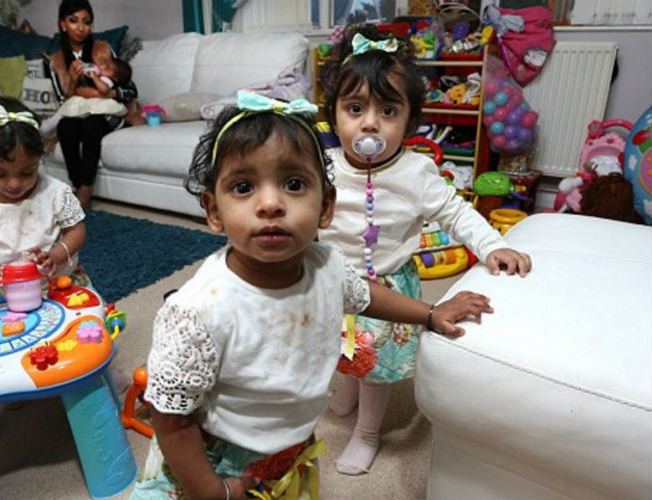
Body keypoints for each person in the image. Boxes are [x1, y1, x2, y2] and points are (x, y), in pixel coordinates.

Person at [129, 91, 494, 500]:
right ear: (214, 211)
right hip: (213, 463)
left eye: (294, 184)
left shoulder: (327, 265)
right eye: (244, 187)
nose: (270, 204)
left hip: (288, 445)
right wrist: (214, 492)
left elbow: (365, 296)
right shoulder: (196, 311)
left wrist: (430, 313)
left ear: (325, 207)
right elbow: (171, 419)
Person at [318, 26, 533, 476]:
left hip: (386, 290)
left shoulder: (417, 172)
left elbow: (457, 212)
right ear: (334, 116)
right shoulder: (324, 166)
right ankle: (349, 389)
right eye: (355, 108)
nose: (370, 123)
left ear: (410, 120)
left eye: (388, 110)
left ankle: (367, 433)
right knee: (342, 347)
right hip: (335, 284)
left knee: (376, 365)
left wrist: (492, 245)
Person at [0, 96, 86, 299]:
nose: (14, 183)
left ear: (39, 157)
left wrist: (57, 254)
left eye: (26, 172)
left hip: (60, 282)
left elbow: (76, 229)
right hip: (6, 292)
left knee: (90, 315)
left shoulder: (55, 192)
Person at [49, 0, 140, 208]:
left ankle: (85, 190)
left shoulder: (102, 50)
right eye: (73, 21)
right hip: (77, 113)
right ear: (63, 24)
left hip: (106, 114)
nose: (80, 27)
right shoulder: (56, 60)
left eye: (86, 21)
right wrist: (72, 80)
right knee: (65, 126)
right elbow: (63, 101)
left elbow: (131, 89)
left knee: (92, 125)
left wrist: (103, 93)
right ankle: (77, 184)